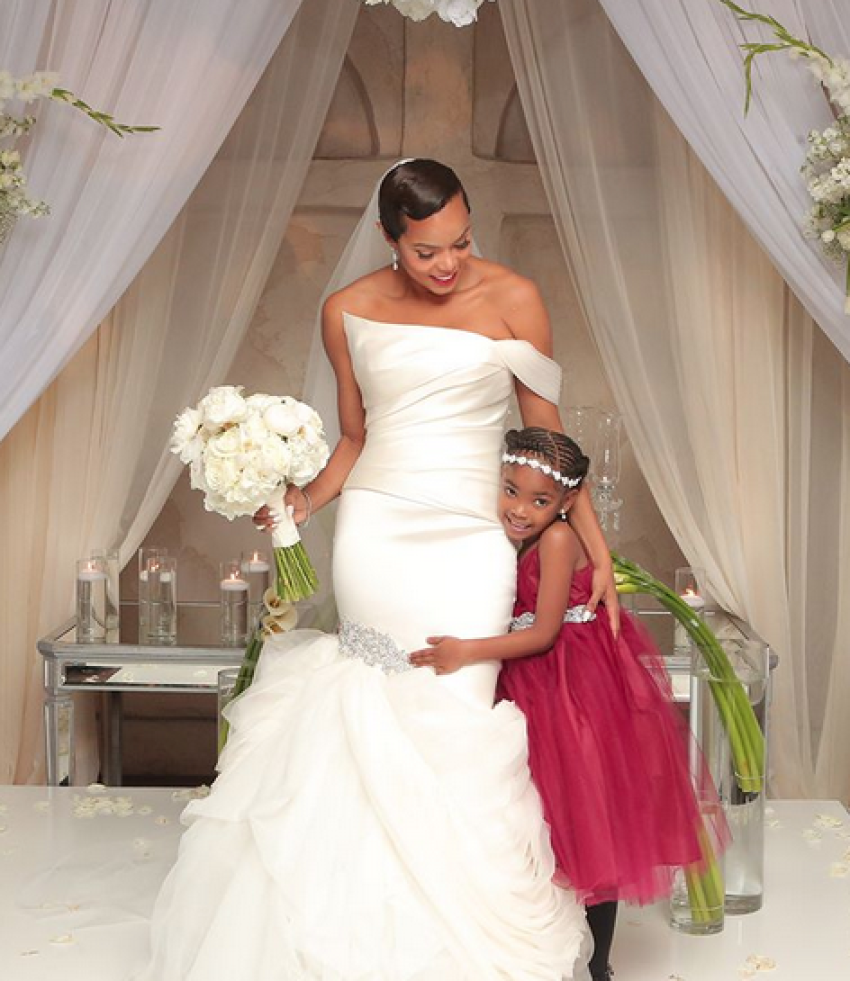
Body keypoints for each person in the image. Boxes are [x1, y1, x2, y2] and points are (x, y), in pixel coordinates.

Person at [139, 159, 618, 980]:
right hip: (377, 533)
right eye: (427, 249)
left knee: (456, 717)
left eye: (461, 242)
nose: (448, 263)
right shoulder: (347, 310)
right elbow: (354, 437)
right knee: (370, 706)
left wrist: (598, 551)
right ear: (389, 239)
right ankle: (355, 938)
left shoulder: (514, 298)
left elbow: (549, 444)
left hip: (472, 538)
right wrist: (303, 502)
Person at [410, 426, 728, 981]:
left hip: (569, 686)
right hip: (540, 682)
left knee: (584, 826)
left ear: (567, 503)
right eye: (510, 491)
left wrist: (466, 652)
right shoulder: (518, 535)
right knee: (544, 823)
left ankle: (598, 967)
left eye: (539, 500)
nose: (520, 509)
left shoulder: (557, 540)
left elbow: (544, 634)